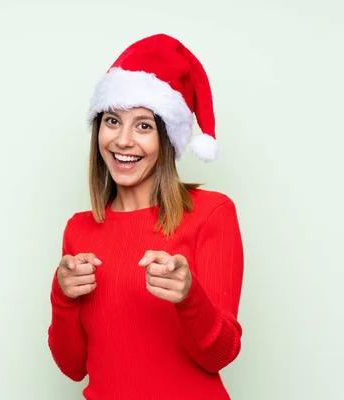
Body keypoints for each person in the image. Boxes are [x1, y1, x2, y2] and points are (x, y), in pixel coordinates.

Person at [47, 33, 244, 400]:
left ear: (167, 139)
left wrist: (189, 297)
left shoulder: (211, 213)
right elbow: (73, 367)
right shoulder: (79, 229)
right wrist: (62, 296)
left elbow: (220, 355)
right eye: (112, 120)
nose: (123, 140)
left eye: (143, 125)